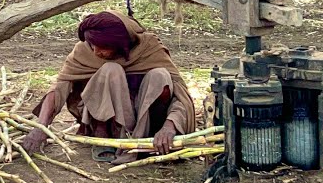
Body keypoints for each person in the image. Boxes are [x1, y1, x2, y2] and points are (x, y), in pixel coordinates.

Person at [20, 10, 195, 163]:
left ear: (121, 44)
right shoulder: (84, 51)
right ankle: (103, 137)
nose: (96, 52)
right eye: (92, 45)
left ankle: (144, 139)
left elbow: (181, 95)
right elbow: (59, 88)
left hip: (144, 119)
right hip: (104, 122)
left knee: (160, 76)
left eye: (103, 47)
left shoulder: (148, 47)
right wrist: (40, 127)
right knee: (111, 70)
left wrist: (169, 127)